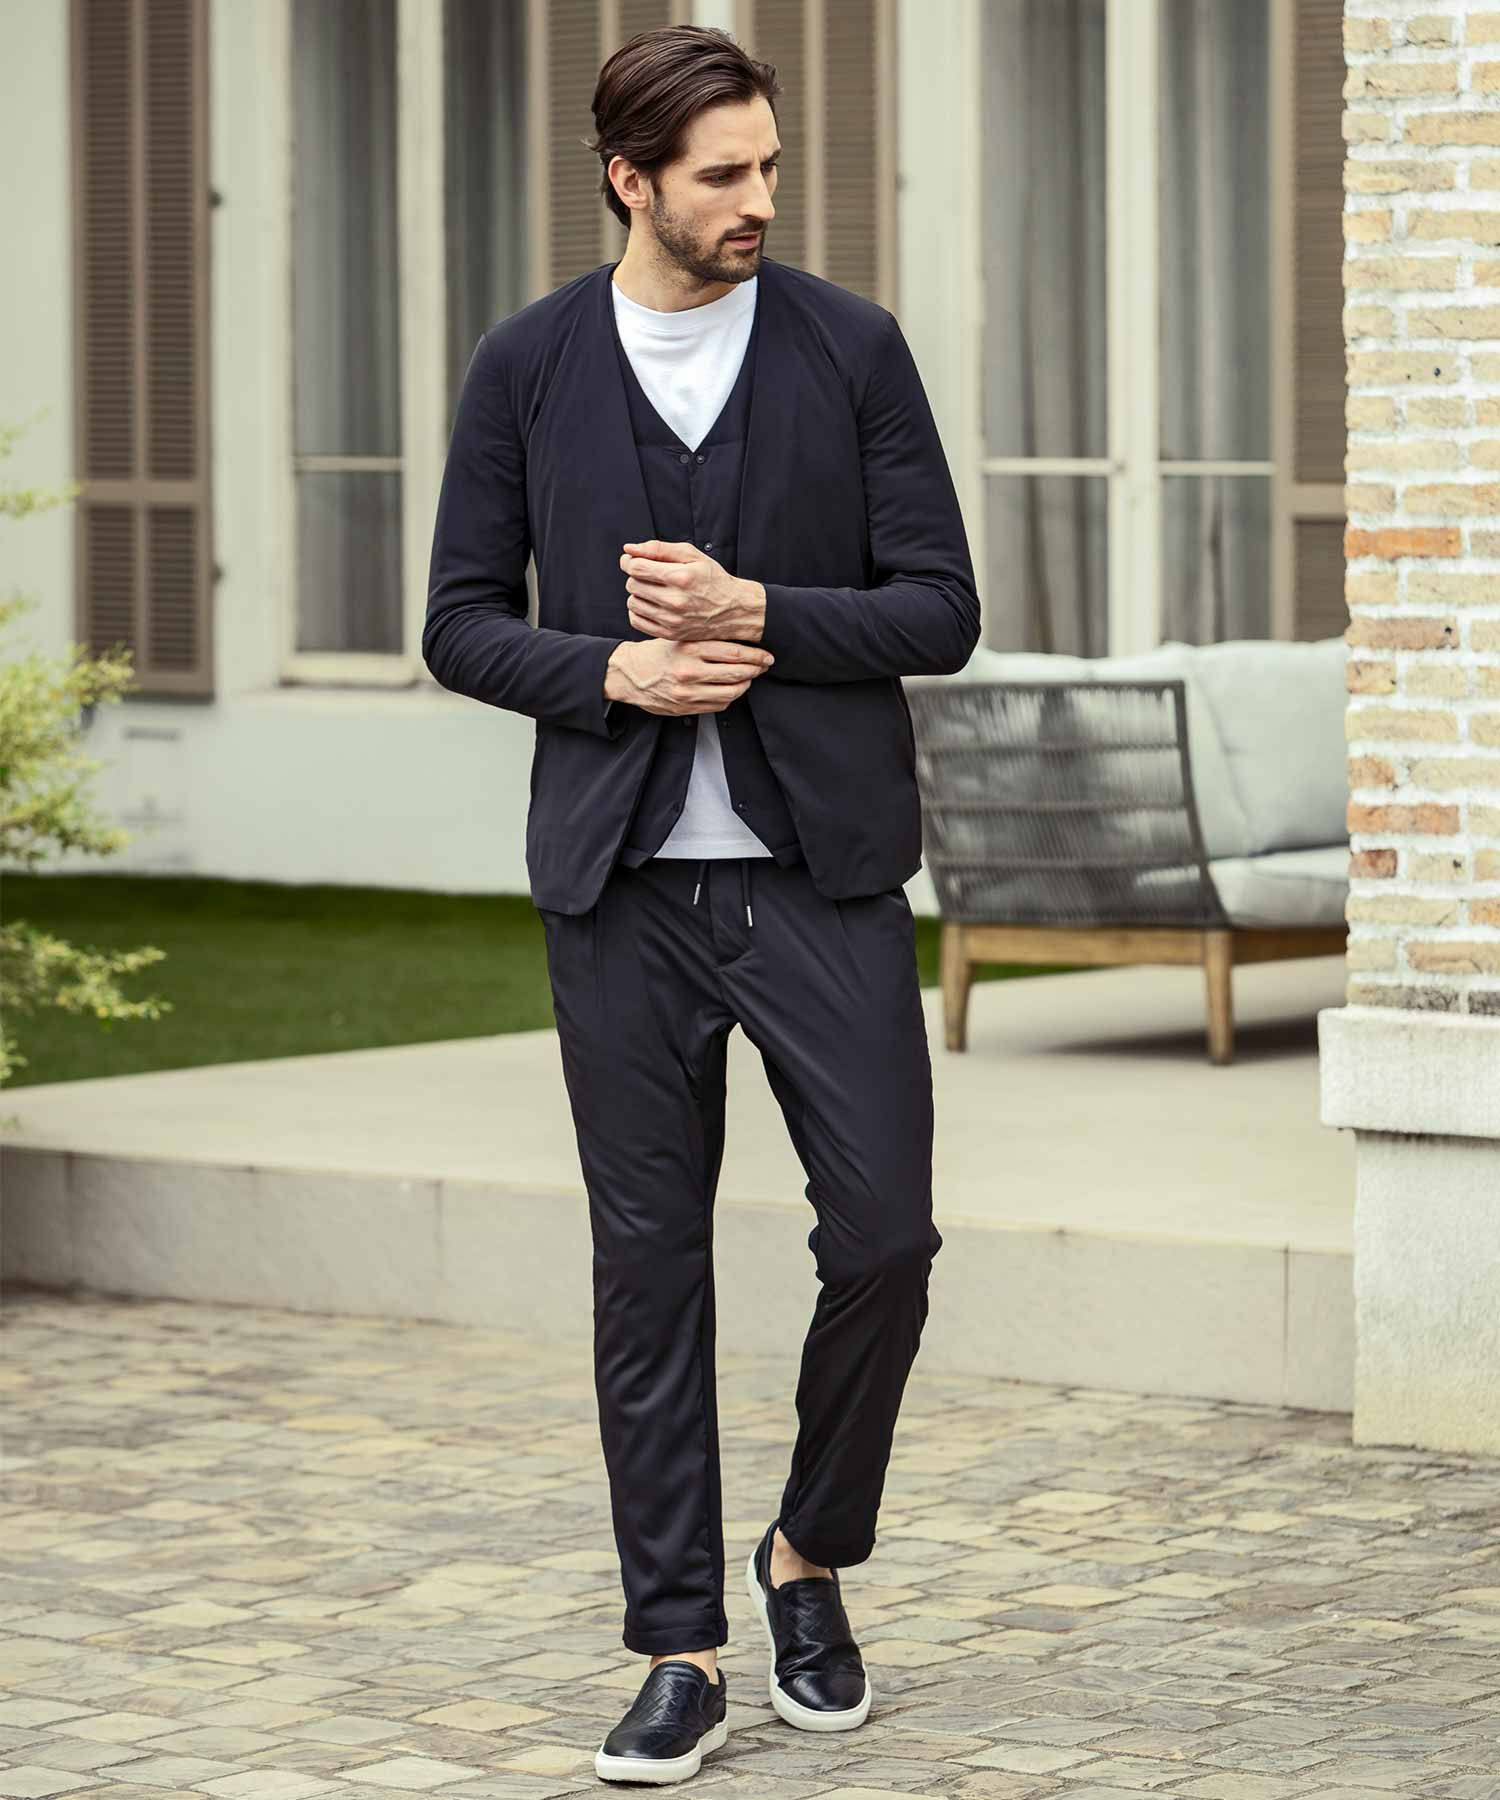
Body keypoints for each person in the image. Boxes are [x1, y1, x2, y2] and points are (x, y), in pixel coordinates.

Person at [424, 22, 979, 1787]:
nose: (758, 201)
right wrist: (611, 671)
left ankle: (808, 1556)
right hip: (621, 893)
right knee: (647, 1269)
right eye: (722, 174)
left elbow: (941, 609)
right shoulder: (527, 366)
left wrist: (758, 616)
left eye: (768, 168)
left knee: (885, 1236)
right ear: (630, 180)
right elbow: (456, 622)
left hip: (822, 880)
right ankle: (678, 1643)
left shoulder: (850, 348)